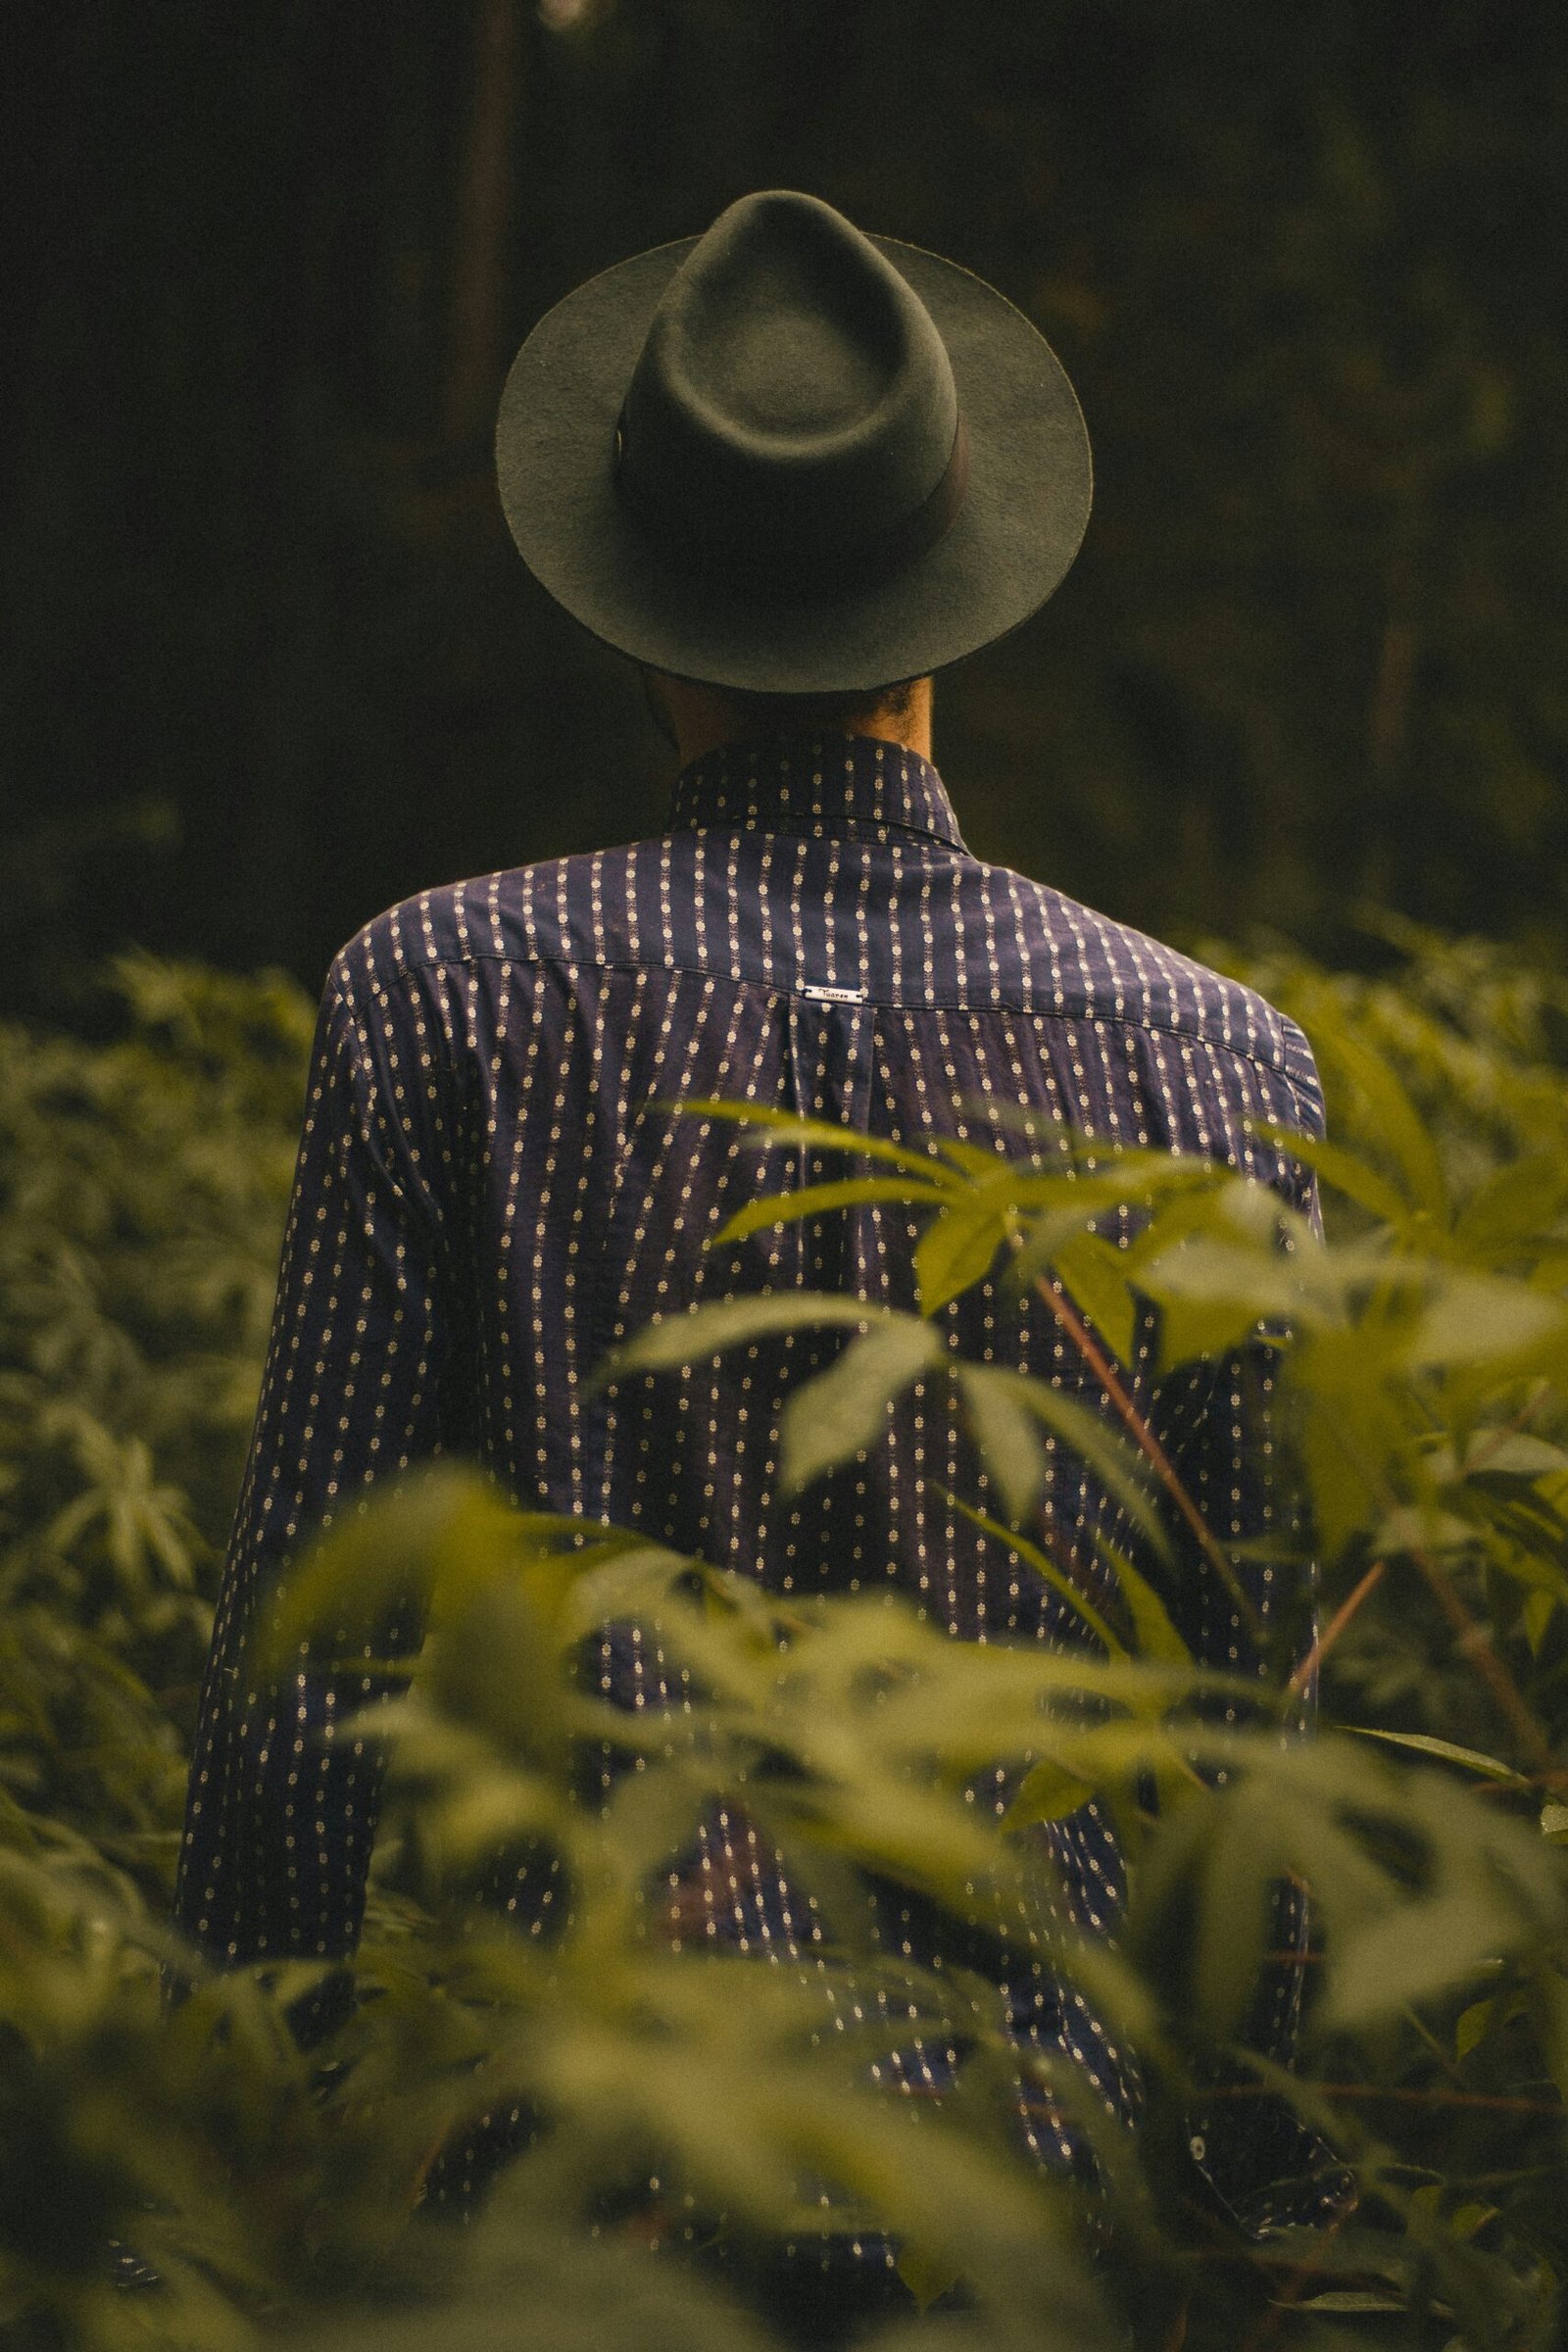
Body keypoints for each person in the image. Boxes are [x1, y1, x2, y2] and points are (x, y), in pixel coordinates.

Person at [172, 190, 1346, 2338]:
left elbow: (305, 1676)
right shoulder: (1218, 1067)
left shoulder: (438, 998)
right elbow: (1243, 1735)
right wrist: (1229, 2214)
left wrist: (257, 2159)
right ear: (952, 595)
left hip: (566, 2200)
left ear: (631, 606)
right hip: (1033, 2202)